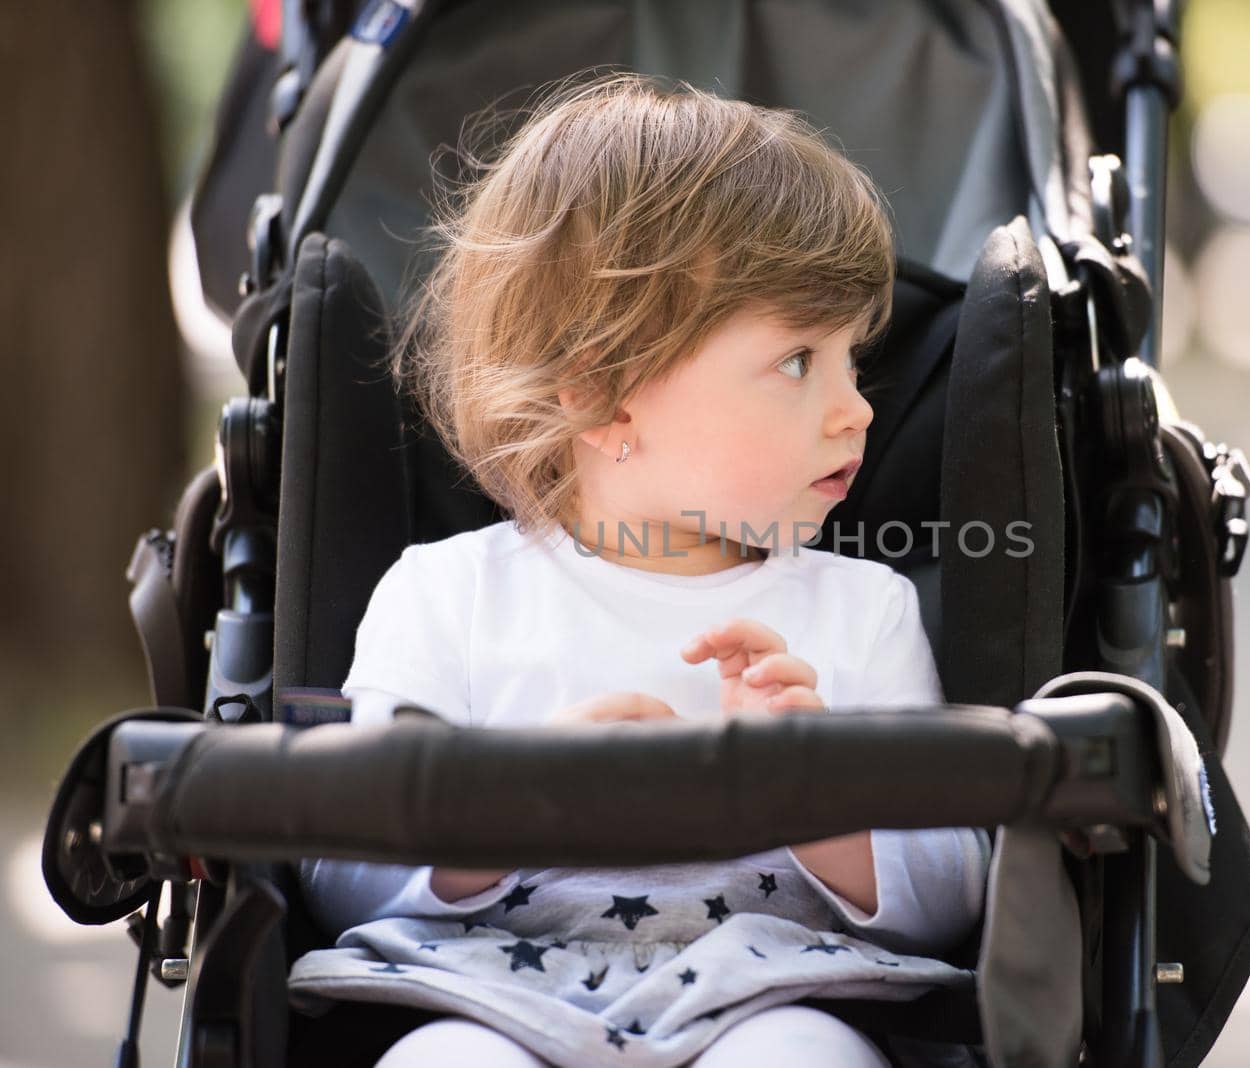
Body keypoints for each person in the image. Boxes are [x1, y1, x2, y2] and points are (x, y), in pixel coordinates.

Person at [288, 72, 990, 1068]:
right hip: (481, 1000)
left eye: (854, 360)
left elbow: (956, 897)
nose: (856, 408)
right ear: (606, 401)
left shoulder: (861, 610)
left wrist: (822, 798)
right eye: (799, 362)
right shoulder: (443, 595)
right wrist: (505, 803)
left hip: (768, 997)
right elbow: (334, 876)